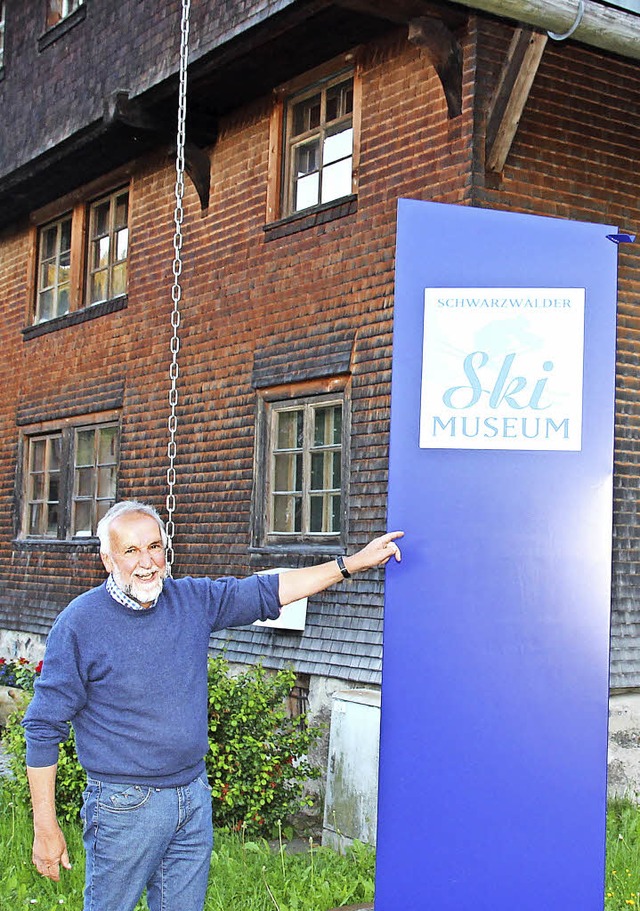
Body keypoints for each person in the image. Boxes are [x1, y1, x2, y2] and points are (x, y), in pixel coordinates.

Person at [22, 499, 403, 911]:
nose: (146, 562)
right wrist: (45, 825)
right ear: (107, 558)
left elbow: (267, 590)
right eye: (131, 551)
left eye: (154, 547)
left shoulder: (191, 600)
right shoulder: (80, 623)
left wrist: (352, 564)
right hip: (124, 808)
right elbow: (43, 727)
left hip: (192, 797)